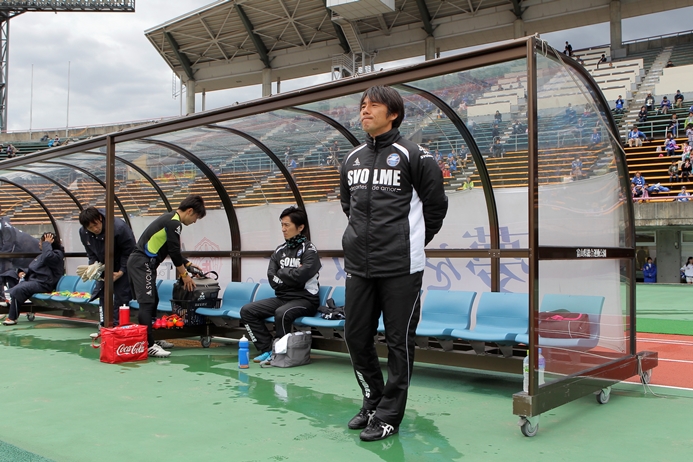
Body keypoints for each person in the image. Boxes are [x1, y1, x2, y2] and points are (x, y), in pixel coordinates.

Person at [340, 85, 448, 442]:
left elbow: (436, 208)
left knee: (399, 342)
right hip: (359, 265)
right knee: (355, 336)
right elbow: (349, 206)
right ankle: (373, 399)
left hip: (402, 266)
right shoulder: (352, 159)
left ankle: (389, 416)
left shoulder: (415, 155)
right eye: (362, 105)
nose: (365, 110)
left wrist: (409, 242)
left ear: (394, 114)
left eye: (373, 105)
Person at [127, 195, 206, 358]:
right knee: (146, 303)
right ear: (190, 211)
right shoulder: (174, 222)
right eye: (196, 217)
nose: (194, 221)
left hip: (144, 263)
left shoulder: (170, 219)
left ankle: (153, 338)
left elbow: (170, 248)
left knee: (153, 300)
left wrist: (188, 264)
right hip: (142, 263)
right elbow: (174, 251)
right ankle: (148, 345)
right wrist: (184, 275)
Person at [240, 206, 321, 363]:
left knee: (282, 313)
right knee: (247, 311)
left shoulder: (309, 250)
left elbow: (302, 276)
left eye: (287, 225)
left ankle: (281, 354)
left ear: (300, 227)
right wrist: (291, 274)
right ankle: (267, 349)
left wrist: (283, 272)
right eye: (282, 225)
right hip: (283, 297)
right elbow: (272, 277)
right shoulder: (279, 251)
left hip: (305, 299)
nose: (283, 229)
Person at [79, 207, 136, 330]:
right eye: (90, 228)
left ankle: (118, 328)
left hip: (122, 265)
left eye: (95, 224)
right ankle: (104, 326)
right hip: (103, 266)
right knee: (103, 294)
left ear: (100, 218)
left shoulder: (119, 227)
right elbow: (90, 252)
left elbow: (130, 251)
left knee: (122, 296)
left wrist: (121, 271)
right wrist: (94, 266)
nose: (95, 229)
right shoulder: (84, 233)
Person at [2, 233, 64, 326]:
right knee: (9, 274)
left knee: (20, 289)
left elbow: (48, 257)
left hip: (44, 283)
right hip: (34, 280)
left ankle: (12, 317)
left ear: (49, 244)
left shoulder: (56, 255)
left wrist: (47, 243)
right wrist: (22, 272)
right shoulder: (43, 255)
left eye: (41, 242)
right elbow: (34, 268)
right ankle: (11, 300)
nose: (39, 243)